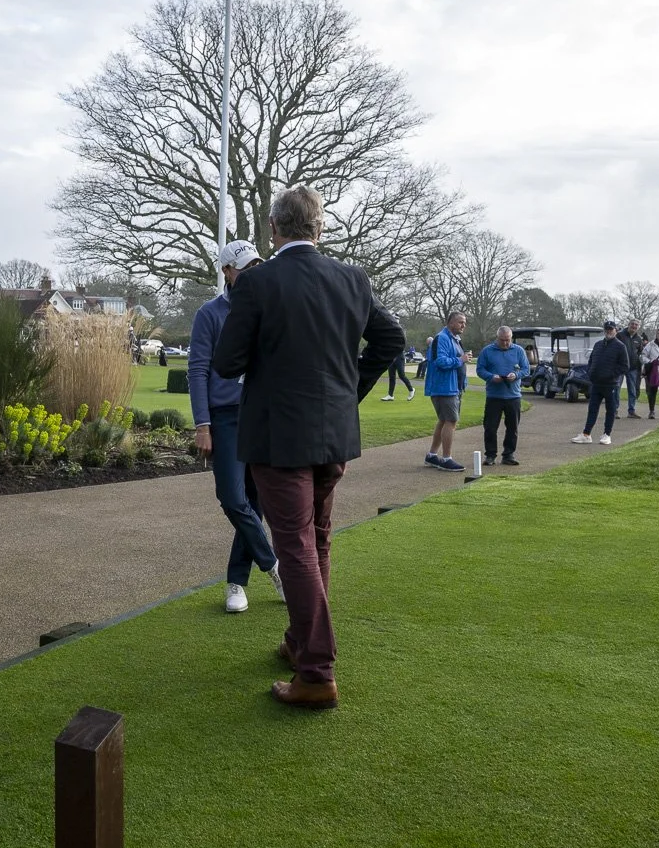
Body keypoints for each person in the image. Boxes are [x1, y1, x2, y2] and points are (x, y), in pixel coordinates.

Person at [212, 185, 404, 710]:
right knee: (315, 540)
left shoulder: (257, 283)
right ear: (319, 228)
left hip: (279, 437)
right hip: (332, 435)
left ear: (275, 230)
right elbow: (392, 340)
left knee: (295, 544)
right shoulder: (352, 279)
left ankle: (316, 672)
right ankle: (300, 643)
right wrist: (348, 392)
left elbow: (227, 363)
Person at [189, 240, 282, 615]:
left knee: (255, 499)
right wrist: (202, 424)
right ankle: (274, 566)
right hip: (226, 414)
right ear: (227, 271)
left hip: (261, 412)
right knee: (231, 497)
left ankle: (236, 582)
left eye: (257, 264)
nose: (253, 272)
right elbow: (197, 371)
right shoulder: (209, 313)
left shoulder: (269, 308)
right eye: (245, 266)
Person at [475, 326, 530, 466]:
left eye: (508, 340)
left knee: (513, 427)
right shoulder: (487, 351)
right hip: (494, 395)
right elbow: (480, 369)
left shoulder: (518, 351)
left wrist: (516, 375)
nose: (505, 343)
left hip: (513, 395)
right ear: (497, 338)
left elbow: (526, 369)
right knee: (490, 427)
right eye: (502, 340)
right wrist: (491, 377)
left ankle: (508, 454)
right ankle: (490, 455)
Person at [423, 311, 469, 471]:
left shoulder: (455, 339)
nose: (463, 325)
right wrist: (460, 359)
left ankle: (432, 456)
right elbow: (440, 361)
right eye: (460, 322)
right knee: (451, 421)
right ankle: (447, 459)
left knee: (444, 421)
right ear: (450, 323)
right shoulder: (442, 338)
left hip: (452, 387)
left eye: (464, 322)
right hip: (444, 388)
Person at [573, 319, 629, 446]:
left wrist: (611, 375)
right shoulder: (598, 345)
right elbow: (592, 360)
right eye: (607, 329)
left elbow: (624, 366)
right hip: (596, 383)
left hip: (611, 384)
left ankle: (606, 434)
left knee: (610, 410)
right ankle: (586, 434)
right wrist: (590, 373)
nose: (609, 331)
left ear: (616, 330)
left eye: (611, 329)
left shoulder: (620, 346)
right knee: (592, 409)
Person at [621, 318, 645, 418]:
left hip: (633, 368)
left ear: (638, 327)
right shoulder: (620, 335)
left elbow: (640, 353)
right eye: (632, 324)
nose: (634, 326)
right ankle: (614, 410)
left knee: (632, 390)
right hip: (620, 367)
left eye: (636, 325)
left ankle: (631, 411)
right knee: (616, 389)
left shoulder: (639, 339)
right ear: (629, 324)